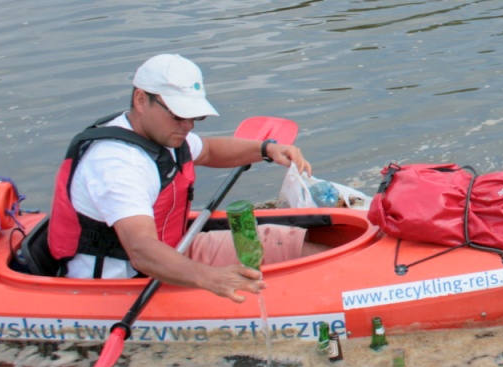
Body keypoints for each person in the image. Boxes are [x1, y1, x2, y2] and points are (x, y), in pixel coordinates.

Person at [47, 54, 323, 302]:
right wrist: (208, 277)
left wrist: (266, 149)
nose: (188, 125)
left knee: (288, 242)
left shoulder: (161, 132)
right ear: (141, 100)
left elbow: (210, 151)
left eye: (195, 116)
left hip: (174, 249)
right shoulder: (118, 165)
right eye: (180, 115)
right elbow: (141, 250)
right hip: (125, 282)